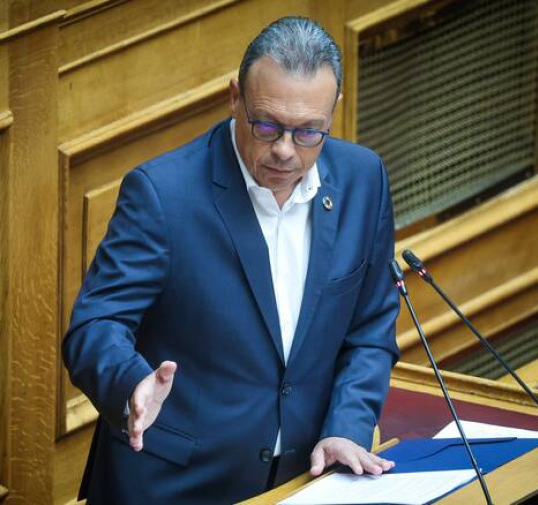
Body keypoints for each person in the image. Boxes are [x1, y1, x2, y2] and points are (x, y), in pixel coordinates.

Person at [63, 16, 400, 504]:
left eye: (308, 132)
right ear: (234, 98)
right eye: (266, 125)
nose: (284, 151)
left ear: (333, 111)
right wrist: (130, 382)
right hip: (174, 485)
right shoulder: (163, 195)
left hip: (301, 480)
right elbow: (94, 325)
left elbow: (370, 327)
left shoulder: (363, 179)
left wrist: (346, 427)